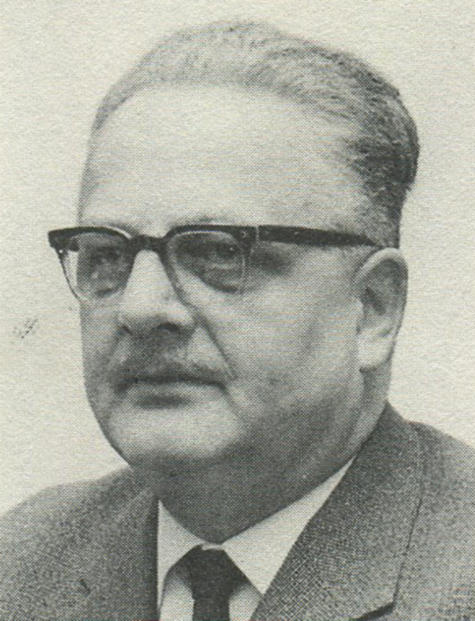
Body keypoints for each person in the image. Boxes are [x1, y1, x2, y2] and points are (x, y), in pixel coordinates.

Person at [1, 20, 473, 621]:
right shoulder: (22, 565)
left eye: (218, 252)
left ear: (373, 308)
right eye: (106, 256)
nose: (139, 308)